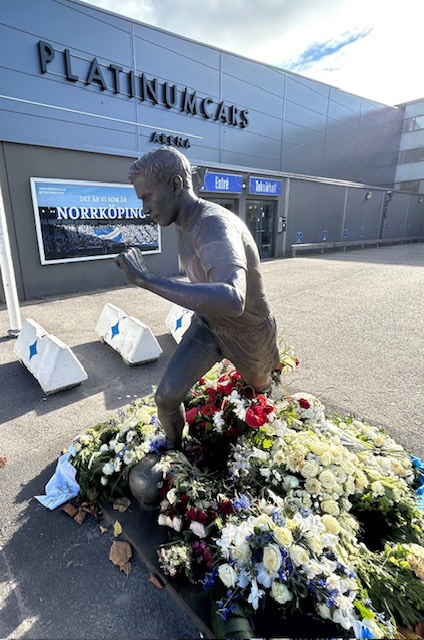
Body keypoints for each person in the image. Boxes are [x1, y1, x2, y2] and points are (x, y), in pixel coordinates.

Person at [115, 147, 279, 448]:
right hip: (209, 326)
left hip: (249, 332)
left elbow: (233, 298)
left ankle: (256, 458)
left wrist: (146, 279)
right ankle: (175, 455)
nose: (144, 208)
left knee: (259, 399)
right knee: (166, 397)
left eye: (147, 197)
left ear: (176, 185)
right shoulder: (184, 224)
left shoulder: (213, 223)